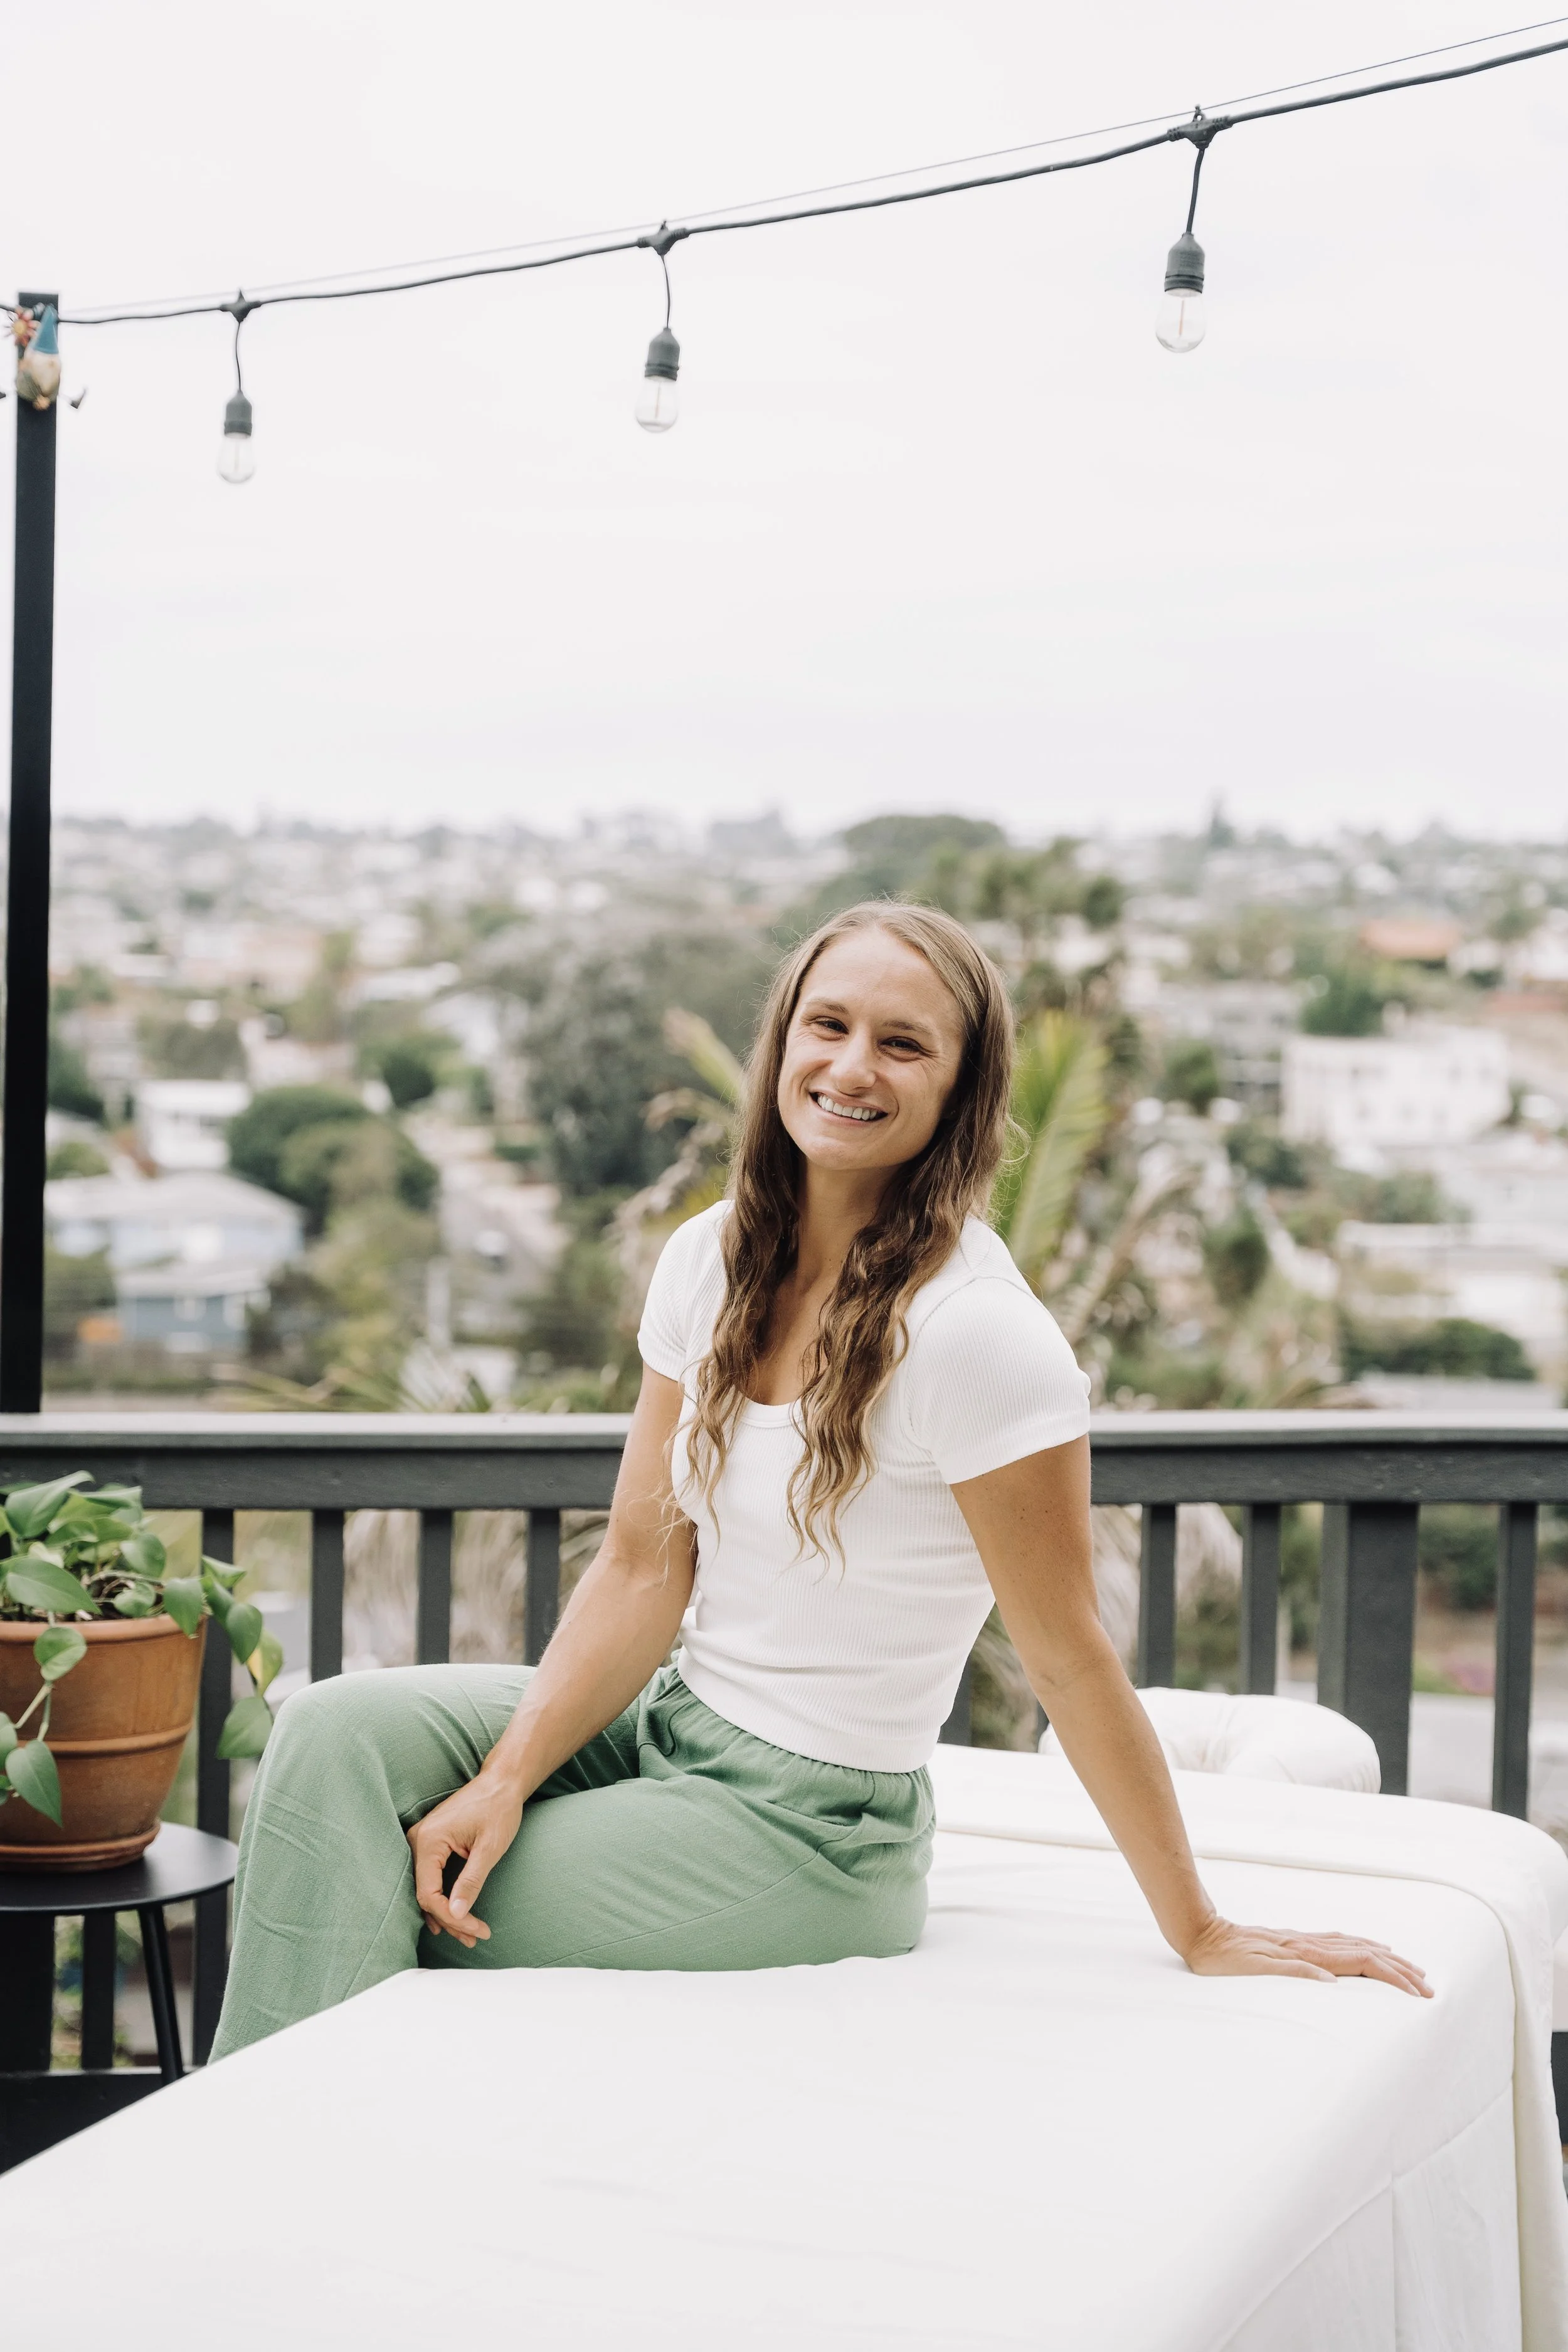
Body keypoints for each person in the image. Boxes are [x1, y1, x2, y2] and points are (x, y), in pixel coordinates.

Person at [211, 903, 1427, 2057]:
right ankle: (245, 2140)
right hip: (673, 1726)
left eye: (902, 1045)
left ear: (957, 1090)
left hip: (808, 1829)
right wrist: (508, 1777)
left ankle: (295, 2170)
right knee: (329, 1736)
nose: (852, 1067)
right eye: (827, 1025)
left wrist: (1198, 1928)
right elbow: (641, 1562)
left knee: (397, 1886)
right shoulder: (712, 1255)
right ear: (782, 1037)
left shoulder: (975, 1336)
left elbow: (1066, 1658)